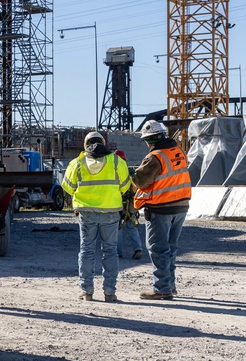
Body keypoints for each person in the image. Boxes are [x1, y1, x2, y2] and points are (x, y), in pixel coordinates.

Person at [61, 131, 131, 302]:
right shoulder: (116, 161)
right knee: (110, 251)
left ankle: (86, 292)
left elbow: (67, 187)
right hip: (111, 213)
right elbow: (126, 185)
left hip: (86, 213)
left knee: (86, 250)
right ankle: (109, 293)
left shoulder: (77, 163)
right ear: (103, 143)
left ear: (85, 145)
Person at [133, 120, 192, 300]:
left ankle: (162, 288)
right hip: (181, 205)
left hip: (160, 208)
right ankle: (170, 285)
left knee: (158, 249)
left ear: (149, 141)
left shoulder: (154, 157)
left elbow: (141, 181)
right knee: (171, 248)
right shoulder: (179, 152)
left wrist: (133, 175)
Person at [113, 148, 144, 260]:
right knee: (132, 227)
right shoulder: (130, 172)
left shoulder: (113, 172)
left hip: (117, 204)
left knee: (117, 228)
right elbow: (136, 188)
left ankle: (118, 251)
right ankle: (138, 249)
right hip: (130, 205)